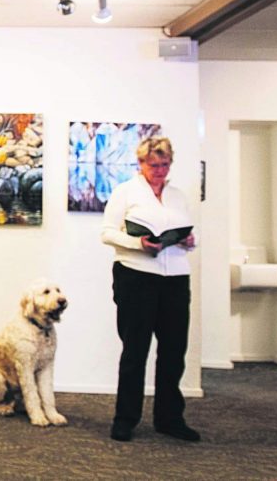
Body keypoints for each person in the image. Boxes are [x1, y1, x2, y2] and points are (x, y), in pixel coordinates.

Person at [101, 136, 200, 443]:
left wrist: (188, 242)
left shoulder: (178, 195)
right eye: (153, 165)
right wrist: (138, 243)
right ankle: (125, 419)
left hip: (176, 278)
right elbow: (107, 233)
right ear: (141, 163)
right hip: (136, 277)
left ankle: (170, 418)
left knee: (174, 351)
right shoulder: (126, 192)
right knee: (135, 350)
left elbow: (187, 232)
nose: (159, 170)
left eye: (165, 164)